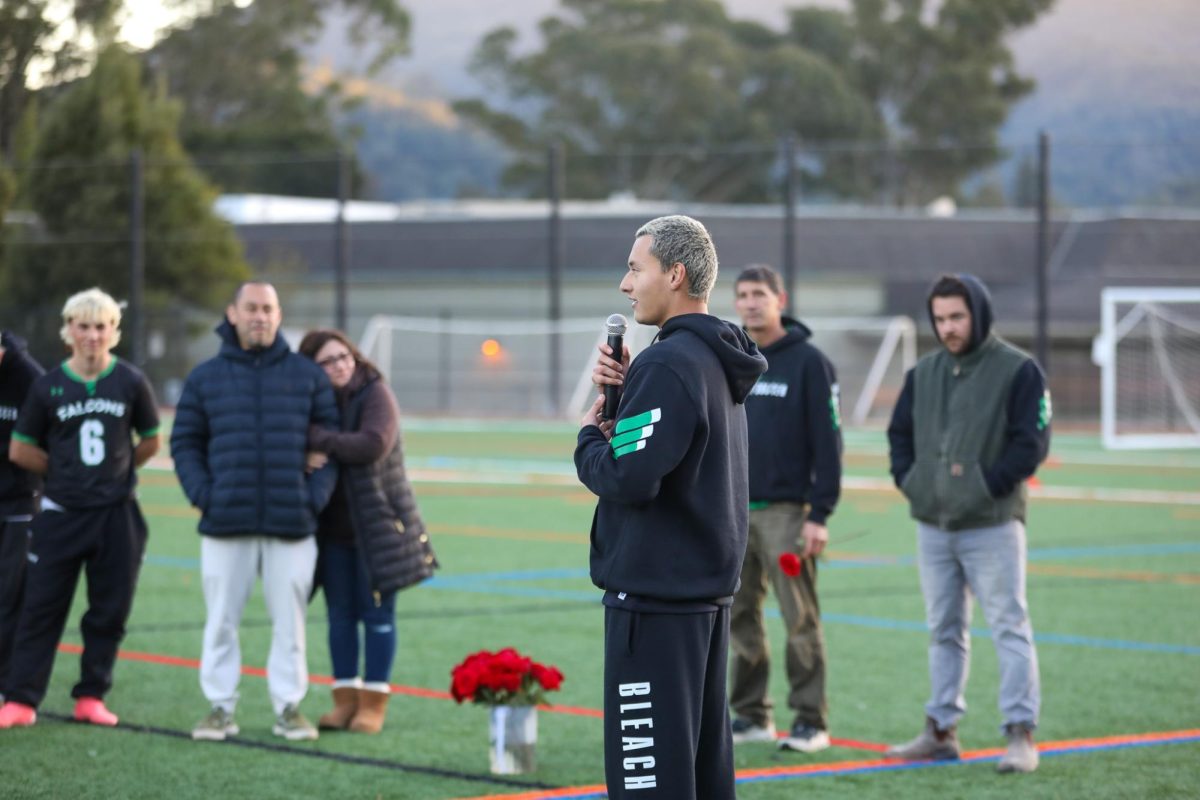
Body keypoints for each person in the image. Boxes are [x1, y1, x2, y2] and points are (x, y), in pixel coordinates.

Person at [577, 215, 767, 799]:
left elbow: (627, 477)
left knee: (650, 787)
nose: (625, 284)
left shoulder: (669, 363)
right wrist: (630, 401)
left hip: (656, 608)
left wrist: (590, 431)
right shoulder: (710, 358)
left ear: (675, 274)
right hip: (702, 603)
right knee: (699, 781)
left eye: (636, 268)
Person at [885, 273, 1051, 774]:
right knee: (943, 629)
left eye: (957, 316)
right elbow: (899, 436)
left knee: (1009, 625)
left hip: (993, 524)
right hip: (932, 524)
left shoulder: (1019, 370)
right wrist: (912, 481)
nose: (948, 327)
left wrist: (984, 486)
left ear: (978, 314)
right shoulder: (924, 373)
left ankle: (1021, 734)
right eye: (940, 319)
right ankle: (940, 730)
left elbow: (1032, 443)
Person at [171, 281, 339, 742]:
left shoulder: (307, 376)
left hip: (293, 524)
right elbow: (185, 443)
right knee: (221, 619)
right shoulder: (206, 377)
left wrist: (311, 499)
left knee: (291, 624)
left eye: (267, 308)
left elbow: (332, 446)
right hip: (226, 524)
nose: (259, 316)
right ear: (233, 313)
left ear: (279, 315)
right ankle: (220, 707)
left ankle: (289, 707)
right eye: (251, 308)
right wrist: (206, 495)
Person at [0, 289, 160, 728]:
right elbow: (20, 449)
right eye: (84, 326)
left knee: (109, 609)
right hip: (60, 514)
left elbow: (149, 440)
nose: (93, 335)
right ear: (68, 330)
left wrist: (118, 472)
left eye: (102, 326)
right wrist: (64, 474)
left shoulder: (130, 381)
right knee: (40, 607)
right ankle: (21, 699)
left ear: (115, 331)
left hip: (117, 515)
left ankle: (91, 695)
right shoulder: (47, 384)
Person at [296, 329, 437, 735]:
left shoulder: (375, 393)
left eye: (344, 356)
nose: (340, 365)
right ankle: (344, 699)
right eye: (328, 361)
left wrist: (318, 441)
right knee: (339, 616)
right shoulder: (316, 400)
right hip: (333, 531)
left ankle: (374, 702)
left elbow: (372, 443)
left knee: (377, 616)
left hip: (379, 528)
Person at [727, 265, 842, 753]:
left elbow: (829, 442)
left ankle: (811, 721)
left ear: (780, 299)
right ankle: (752, 715)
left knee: (799, 617)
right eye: (743, 295)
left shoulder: (810, 364)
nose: (751, 303)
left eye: (760, 294)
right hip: (730, 510)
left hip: (788, 513)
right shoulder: (730, 357)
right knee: (738, 616)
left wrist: (820, 513)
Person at [0, 331, 45, 702]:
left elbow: (43, 441)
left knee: (9, 596)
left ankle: (6, 684)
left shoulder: (30, 377)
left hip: (18, 503)